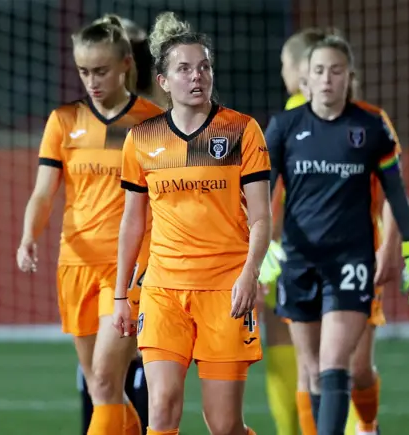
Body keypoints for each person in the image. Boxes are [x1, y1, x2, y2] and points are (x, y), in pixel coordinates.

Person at [113, 11, 271, 435]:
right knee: (161, 409)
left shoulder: (241, 131)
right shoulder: (141, 139)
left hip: (226, 290)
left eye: (204, 67)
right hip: (163, 290)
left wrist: (249, 274)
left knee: (223, 426)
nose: (197, 76)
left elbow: (261, 218)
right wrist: (120, 296)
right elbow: (132, 223)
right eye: (184, 69)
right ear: (163, 82)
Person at [265, 34, 409, 435]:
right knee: (315, 370)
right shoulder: (285, 126)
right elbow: (259, 192)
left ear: (349, 77)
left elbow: (395, 192)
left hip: (353, 259)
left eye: (335, 71)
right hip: (298, 261)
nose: (326, 79)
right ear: (305, 79)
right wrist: (259, 246)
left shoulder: (371, 125)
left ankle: (366, 425)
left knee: (341, 364)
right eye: (318, 71)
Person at [16, 14, 163, 435]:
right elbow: (44, 193)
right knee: (104, 391)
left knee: (103, 377)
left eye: (100, 70)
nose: (92, 81)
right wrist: (29, 236)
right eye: (84, 71)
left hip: (130, 268)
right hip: (75, 265)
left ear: (124, 66)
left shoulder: (151, 121)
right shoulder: (63, 121)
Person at [75, 15, 159, 435]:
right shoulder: (91, 122)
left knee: (113, 379)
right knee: (101, 382)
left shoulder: (150, 118)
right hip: (93, 268)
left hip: (139, 269)